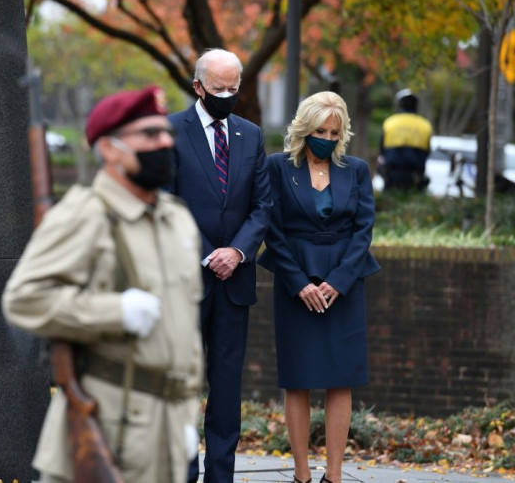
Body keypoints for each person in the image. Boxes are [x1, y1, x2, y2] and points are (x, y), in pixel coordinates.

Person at [2, 85, 204, 483]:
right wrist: (115, 312)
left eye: (167, 133)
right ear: (111, 149)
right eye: (149, 134)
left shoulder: (176, 218)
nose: (165, 142)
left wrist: (184, 417)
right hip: (111, 425)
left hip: (167, 430)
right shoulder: (86, 214)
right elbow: (24, 299)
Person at [257, 91, 381, 483]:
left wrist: (339, 282)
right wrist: (299, 284)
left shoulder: (356, 169)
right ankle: (302, 474)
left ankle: (335, 476)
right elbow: (272, 230)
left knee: (341, 378)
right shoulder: (278, 167)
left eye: (334, 131)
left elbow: (363, 231)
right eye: (320, 130)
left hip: (344, 283)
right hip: (296, 281)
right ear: (303, 129)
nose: (327, 138)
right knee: (299, 377)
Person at [168, 48, 272, 483]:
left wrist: (238, 252)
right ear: (198, 87)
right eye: (219, 89)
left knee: (227, 389)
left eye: (234, 88)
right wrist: (208, 252)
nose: (227, 95)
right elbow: (165, 203)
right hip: (186, 280)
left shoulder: (251, 135)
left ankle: (221, 476)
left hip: (235, 282)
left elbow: (262, 206)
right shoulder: (171, 130)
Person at [378, 88, 433, 191]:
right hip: (415, 176)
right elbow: (427, 151)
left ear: (399, 104)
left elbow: (382, 150)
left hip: (392, 175)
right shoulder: (425, 125)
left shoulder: (390, 123)